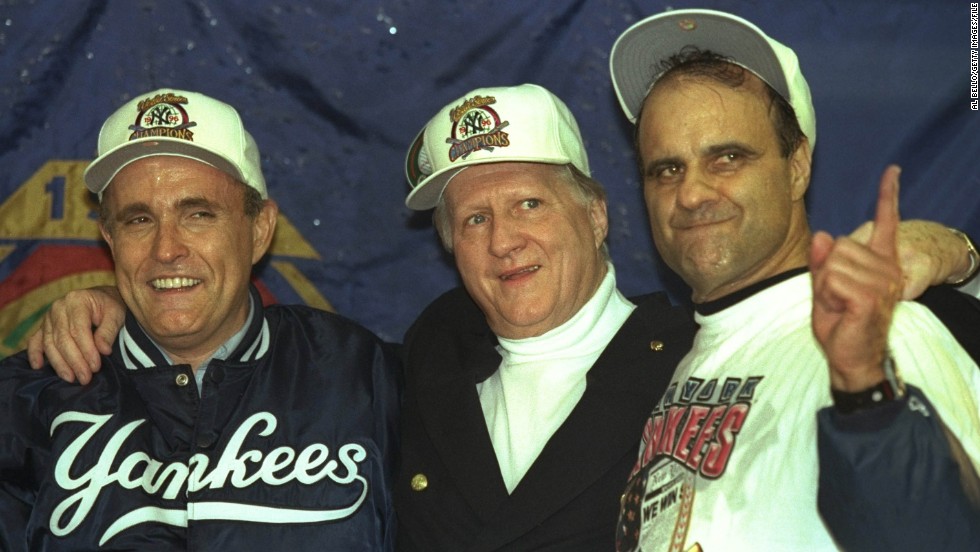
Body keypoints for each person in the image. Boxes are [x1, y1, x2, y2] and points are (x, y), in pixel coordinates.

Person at [24, 84, 980, 551]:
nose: (502, 238)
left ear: (598, 213)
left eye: (529, 204)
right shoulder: (418, 363)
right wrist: (112, 305)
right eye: (471, 217)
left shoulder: (697, 351)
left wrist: (950, 258)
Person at [608, 9, 980, 551]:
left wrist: (867, 393)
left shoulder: (881, 331)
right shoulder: (689, 359)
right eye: (666, 169)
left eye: (727, 157)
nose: (690, 194)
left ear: (797, 166)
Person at [0, 89, 400, 550]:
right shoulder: (33, 395)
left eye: (198, 215)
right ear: (108, 237)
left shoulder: (361, 377)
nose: (166, 250)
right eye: (139, 221)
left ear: (259, 230)